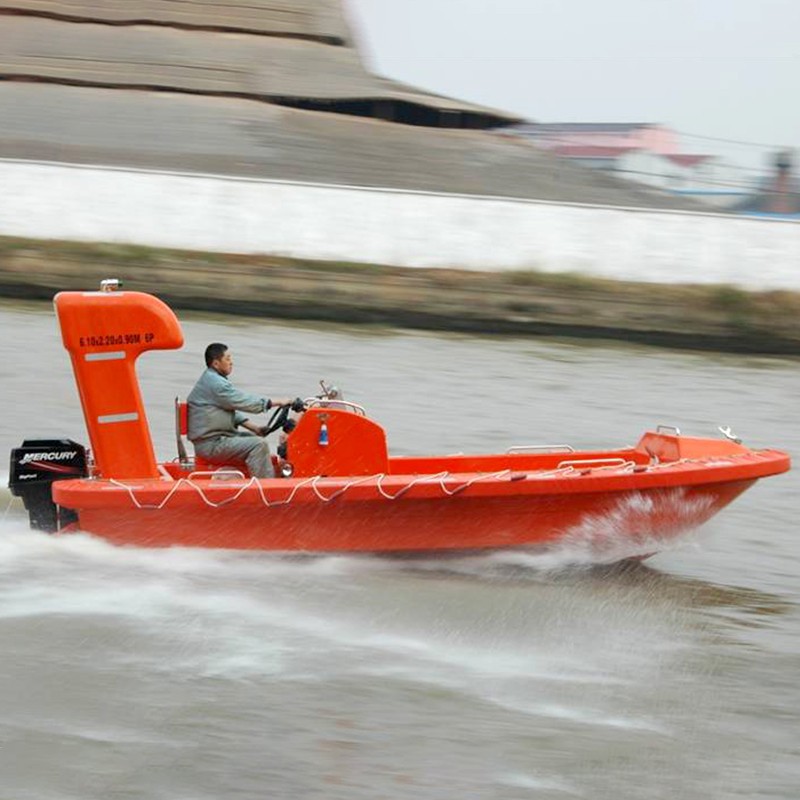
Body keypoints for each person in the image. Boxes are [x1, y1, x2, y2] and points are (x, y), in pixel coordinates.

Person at [187, 342, 302, 478]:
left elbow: (230, 409)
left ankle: (261, 479)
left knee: (254, 439)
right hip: (211, 445)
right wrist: (276, 402)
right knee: (258, 445)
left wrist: (254, 428)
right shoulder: (216, 384)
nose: (231, 362)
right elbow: (245, 402)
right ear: (216, 364)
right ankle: (266, 488)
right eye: (227, 359)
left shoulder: (214, 381)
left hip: (216, 440)